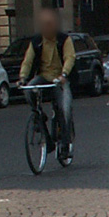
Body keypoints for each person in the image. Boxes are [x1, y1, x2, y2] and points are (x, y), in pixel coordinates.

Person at [18, 9, 75, 149]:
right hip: (43, 77)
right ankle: (39, 116)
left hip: (60, 78)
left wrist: (64, 74)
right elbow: (28, 61)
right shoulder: (36, 42)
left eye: (49, 24)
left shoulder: (64, 40)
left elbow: (70, 58)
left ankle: (65, 144)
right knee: (29, 89)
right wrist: (22, 77)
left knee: (64, 109)